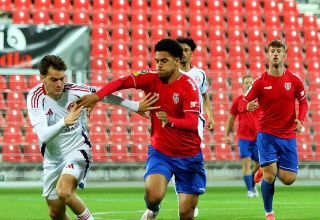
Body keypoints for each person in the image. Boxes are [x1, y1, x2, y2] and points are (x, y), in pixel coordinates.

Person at [76, 38, 206, 220]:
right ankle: (153, 209)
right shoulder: (150, 78)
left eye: (164, 61)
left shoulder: (189, 86)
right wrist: (97, 97)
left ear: (177, 61)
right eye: (157, 61)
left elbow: (192, 124)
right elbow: (121, 82)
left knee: (186, 213)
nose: (159, 65)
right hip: (161, 152)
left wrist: (170, 120)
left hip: (189, 155)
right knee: (153, 196)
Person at [26, 55, 159, 220]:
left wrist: (135, 105)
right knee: (55, 213)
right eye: (54, 79)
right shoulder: (35, 97)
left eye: (62, 79)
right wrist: (64, 122)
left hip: (77, 150)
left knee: (65, 191)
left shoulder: (74, 90)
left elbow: (103, 94)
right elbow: (43, 136)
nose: (59, 84)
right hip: (52, 160)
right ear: (42, 78)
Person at [238, 40, 308, 220]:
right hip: (266, 134)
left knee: (288, 179)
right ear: (268, 55)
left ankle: (264, 168)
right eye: (272, 51)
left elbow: (303, 102)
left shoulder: (294, 80)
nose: (275, 54)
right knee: (270, 176)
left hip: (288, 135)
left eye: (279, 51)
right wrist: (248, 107)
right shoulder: (260, 82)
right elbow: (242, 103)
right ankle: (269, 212)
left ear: (284, 55)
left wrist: (300, 120)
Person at [175, 37, 214, 218]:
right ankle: (183, 202)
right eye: (180, 50)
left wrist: (210, 116)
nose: (183, 53)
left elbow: (205, 96)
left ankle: (191, 195)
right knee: (176, 159)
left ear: (191, 52)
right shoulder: (172, 73)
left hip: (196, 123)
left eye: (186, 50)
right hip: (175, 122)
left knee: (189, 158)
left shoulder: (200, 74)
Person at [225, 75, 260, 198]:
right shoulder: (239, 100)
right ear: (243, 85)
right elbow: (231, 118)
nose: (249, 84)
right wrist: (227, 134)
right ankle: (250, 190)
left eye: (251, 82)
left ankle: (251, 182)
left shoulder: (259, 100)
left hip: (258, 137)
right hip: (244, 137)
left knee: (260, 164)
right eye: (247, 82)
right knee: (246, 163)